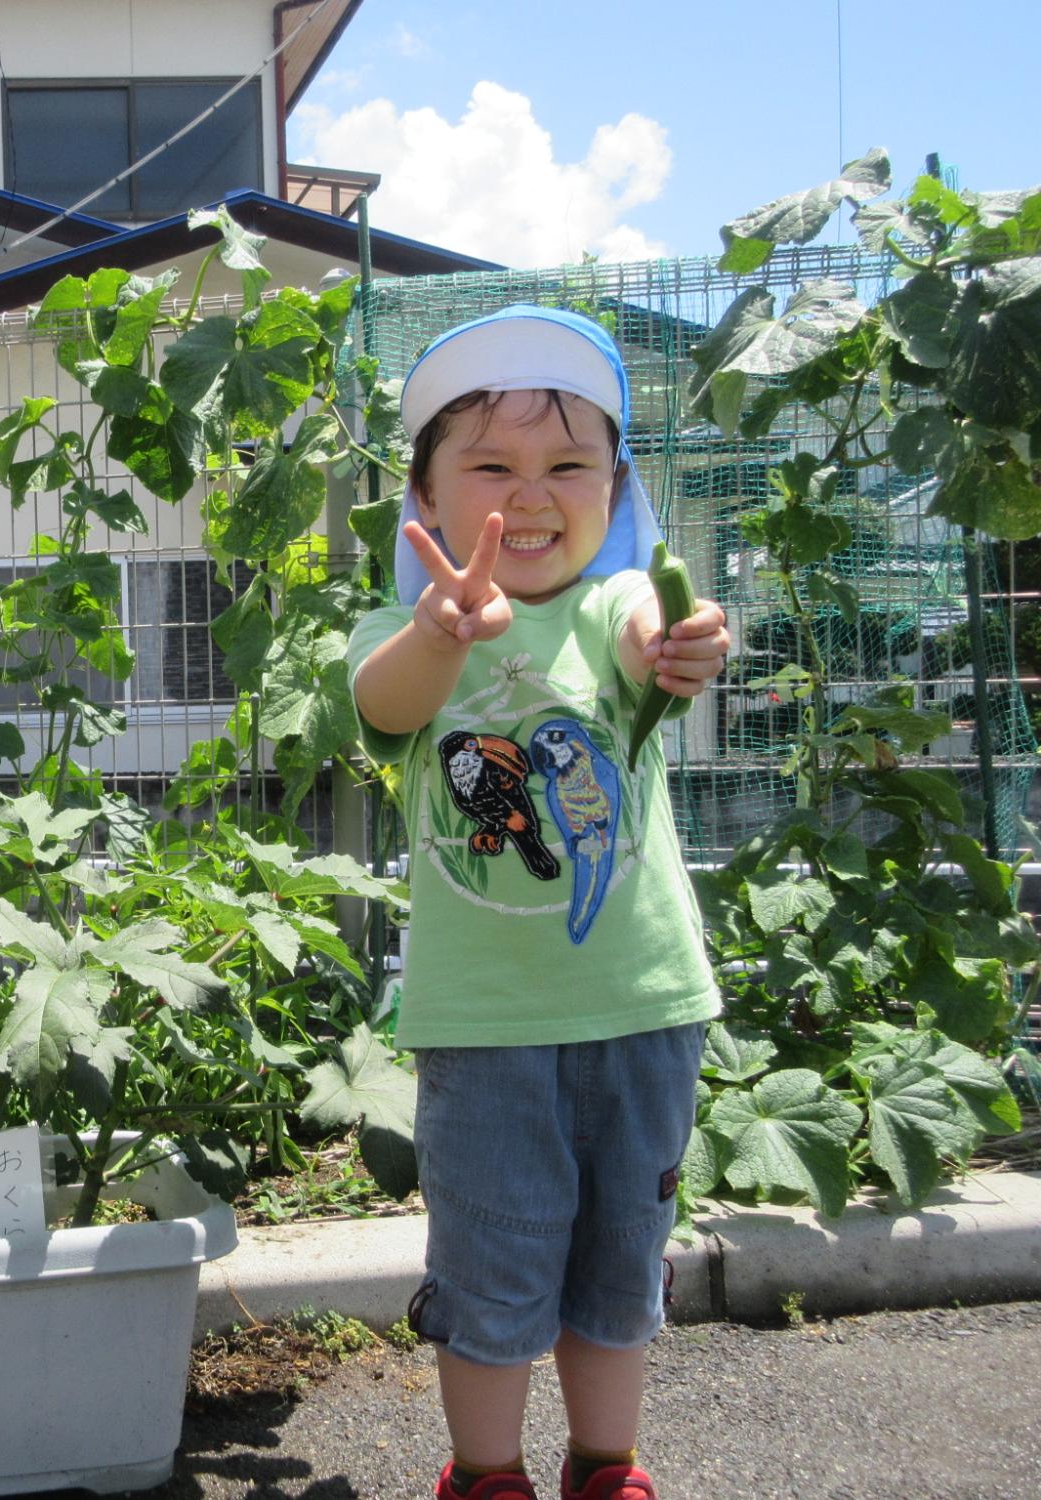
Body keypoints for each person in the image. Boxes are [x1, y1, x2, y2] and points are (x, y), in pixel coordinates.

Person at [347, 306, 731, 1500]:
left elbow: (650, 639)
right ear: (424, 495)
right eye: (490, 466)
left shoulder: (616, 601)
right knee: (492, 1270)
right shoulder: (396, 631)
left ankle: (606, 1465)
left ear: (611, 489)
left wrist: (684, 638)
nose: (530, 492)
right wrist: (441, 631)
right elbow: (389, 703)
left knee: (623, 1263)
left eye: (567, 464)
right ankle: (485, 1474)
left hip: (643, 1009)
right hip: (482, 1032)